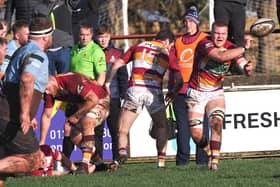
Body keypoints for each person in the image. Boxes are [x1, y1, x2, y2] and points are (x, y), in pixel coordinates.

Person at [105, 29, 183, 170]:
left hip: (135, 90)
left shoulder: (138, 46)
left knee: (123, 129)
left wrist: (108, 83)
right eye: (171, 45)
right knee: (161, 125)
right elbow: (179, 80)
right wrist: (173, 92)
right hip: (153, 92)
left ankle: (121, 154)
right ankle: (161, 162)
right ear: (167, 42)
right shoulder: (167, 52)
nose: (170, 47)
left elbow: (117, 64)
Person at [186, 22, 253, 171]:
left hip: (216, 93)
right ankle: (210, 152)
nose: (220, 36)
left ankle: (214, 162)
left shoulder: (230, 47)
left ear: (227, 34)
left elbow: (243, 65)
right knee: (196, 135)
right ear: (211, 33)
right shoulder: (204, 44)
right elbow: (220, 57)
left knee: (216, 123)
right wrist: (244, 47)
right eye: (217, 33)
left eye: (223, 33)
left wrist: (248, 68)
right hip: (196, 92)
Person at [0, 16, 53, 186]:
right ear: (46, 37)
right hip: (11, 116)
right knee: (33, 159)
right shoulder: (37, 53)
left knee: (4, 164)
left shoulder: (20, 50)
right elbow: (27, 78)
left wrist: (30, 114)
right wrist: (24, 113)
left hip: (5, 112)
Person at [40, 72, 109, 174]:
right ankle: (98, 161)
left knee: (87, 121)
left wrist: (76, 116)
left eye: (47, 88)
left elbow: (93, 100)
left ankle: (85, 164)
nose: (46, 92)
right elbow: (46, 116)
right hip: (83, 103)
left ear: (53, 82)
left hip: (100, 99)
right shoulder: (49, 92)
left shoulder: (71, 80)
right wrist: (41, 142)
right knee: (69, 130)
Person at [60, 22, 106, 166]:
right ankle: (68, 163)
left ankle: (91, 162)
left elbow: (102, 75)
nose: (84, 38)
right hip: (74, 96)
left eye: (87, 35)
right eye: (81, 35)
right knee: (69, 129)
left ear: (91, 35)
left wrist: (97, 94)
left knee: (87, 129)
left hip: (88, 97)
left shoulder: (96, 51)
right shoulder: (74, 49)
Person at [169, 4, 209, 166]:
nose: (188, 24)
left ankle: (203, 159)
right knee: (182, 129)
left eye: (192, 21)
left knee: (201, 127)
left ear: (197, 22)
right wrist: (172, 89)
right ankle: (182, 161)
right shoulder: (178, 42)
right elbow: (173, 67)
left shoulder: (204, 39)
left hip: (199, 89)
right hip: (180, 91)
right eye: (186, 21)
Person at [95, 24, 128, 161]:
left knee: (115, 130)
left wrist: (124, 95)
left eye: (106, 37)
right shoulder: (92, 52)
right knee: (97, 131)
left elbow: (123, 77)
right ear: (96, 38)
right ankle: (97, 161)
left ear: (110, 37)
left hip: (113, 98)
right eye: (101, 37)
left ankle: (116, 160)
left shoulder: (118, 53)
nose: (103, 40)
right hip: (96, 100)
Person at [33, 0, 74, 75]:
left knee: (64, 79)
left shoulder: (66, 3)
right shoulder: (38, 8)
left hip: (63, 48)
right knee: (49, 81)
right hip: (46, 50)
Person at [214, 0, 247, 75]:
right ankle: (222, 67)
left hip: (239, 3)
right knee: (221, 35)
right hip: (222, 3)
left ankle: (239, 67)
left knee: (239, 37)